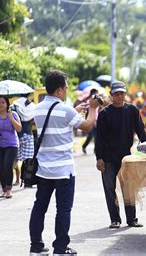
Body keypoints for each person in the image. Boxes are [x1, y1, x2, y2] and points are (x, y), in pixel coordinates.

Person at [29, 70, 100, 256]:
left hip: (43, 169)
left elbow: (56, 121)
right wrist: (93, 108)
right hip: (63, 170)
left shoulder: (38, 109)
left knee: (39, 207)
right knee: (63, 210)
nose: (67, 91)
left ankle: (36, 247)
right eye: (66, 88)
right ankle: (60, 248)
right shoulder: (65, 110)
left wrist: (74, 112)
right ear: (59, 90)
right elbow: (87, 125)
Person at [95, 81, 146, 229]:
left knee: (129, 189)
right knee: (109, 189)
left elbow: (141, 131)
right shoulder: (104, 114)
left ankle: (132, 219)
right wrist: (99, 158)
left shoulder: (132, 110)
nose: (119, 96)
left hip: (127, 158)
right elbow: (99, 138)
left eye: (122, 93)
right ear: (111, 96)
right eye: (116, 94)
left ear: (125, 94)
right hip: (107, 158)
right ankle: (115, 219)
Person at [0, 95, 22, 199]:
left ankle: (9, 189)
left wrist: (11, 118)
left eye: (3, 102)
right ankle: (4, 189)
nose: (1, 104)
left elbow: (19, 129)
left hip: (12, 144)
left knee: (7, 165)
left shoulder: (14, 114)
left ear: (7, 104)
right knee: (1, 167)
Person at [12, 93, 36, 187]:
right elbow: (34, 120)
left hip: (16, 135)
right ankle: (26, 181)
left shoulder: (14, 105)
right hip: (28, 134)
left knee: (15, 159)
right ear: (28, 95)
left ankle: (15, 179)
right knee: (28, 160)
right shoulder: (32, 105)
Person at [82, 88, 99, 154]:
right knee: (90, 135)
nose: (97, 94)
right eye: (96, 93)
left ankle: (95, 150)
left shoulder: (97, 101)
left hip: (96, 120)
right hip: (90, 120)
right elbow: (85, 111)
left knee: (97, 136)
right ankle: (84, 146)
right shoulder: (88, 101)